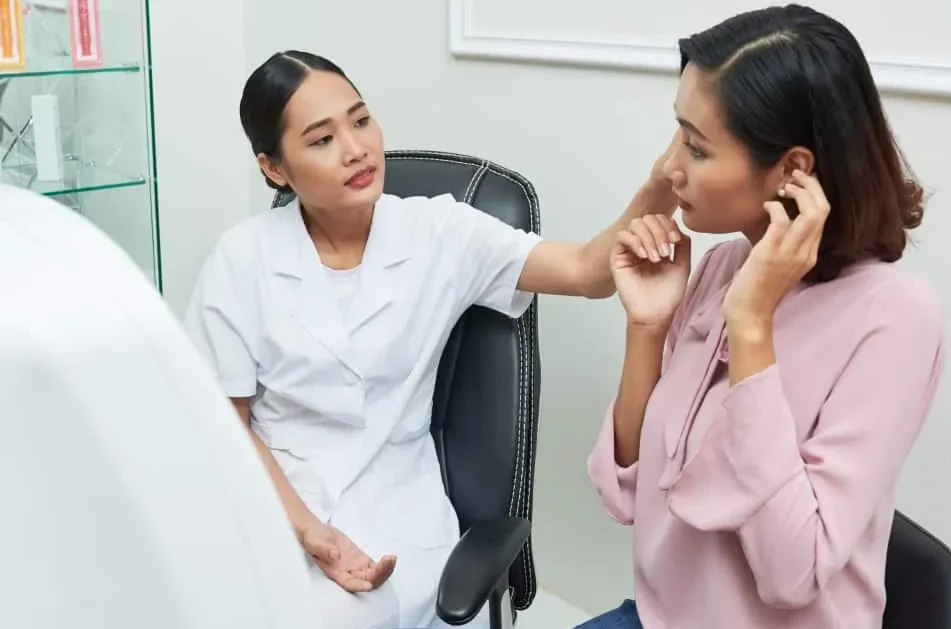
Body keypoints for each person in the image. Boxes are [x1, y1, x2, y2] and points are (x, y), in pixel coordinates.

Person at [184, 50, 678, 629]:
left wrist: (662, 182)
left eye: (361, 120)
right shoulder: (241, 259)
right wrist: (308, 530)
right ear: (274, 169)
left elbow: (588, 271)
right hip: (273, 504)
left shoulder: (441, 232)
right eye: (322, 140)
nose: (356, 149)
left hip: (395, 515)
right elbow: (225, 423)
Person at [583, 4, 944, 629]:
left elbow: (791, 573)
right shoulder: (721, 267)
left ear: (792, 170)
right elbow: (626, 496)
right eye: (678, 134)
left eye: (697, 148)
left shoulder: (896, 319)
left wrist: (751, 326)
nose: (669, 169)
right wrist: (646, 328)